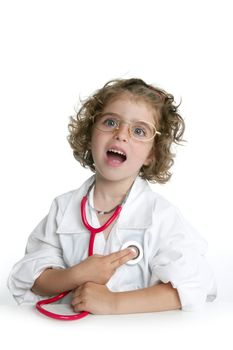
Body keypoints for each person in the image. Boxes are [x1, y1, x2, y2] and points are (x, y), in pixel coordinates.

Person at [8, 78, 217, 313]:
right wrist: (75, 275)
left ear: (152, 154)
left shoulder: (160, 215)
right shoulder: (63, 208)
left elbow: (195, 284)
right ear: (89, 134)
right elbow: (33, 277)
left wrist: (114, 303)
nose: (121, 135)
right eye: (110, 122)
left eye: (139, 130)